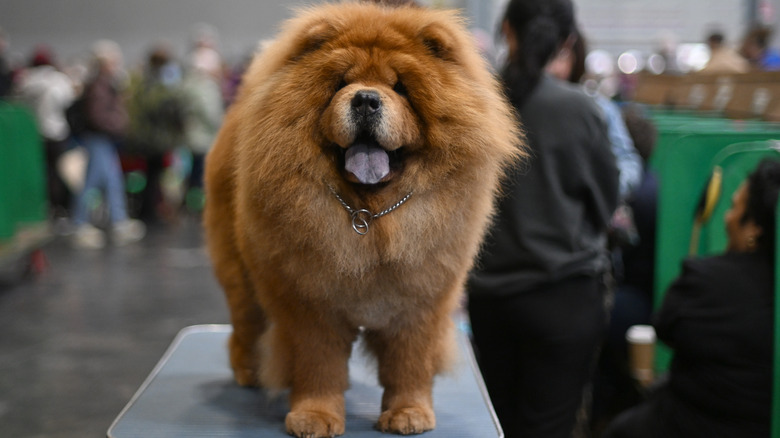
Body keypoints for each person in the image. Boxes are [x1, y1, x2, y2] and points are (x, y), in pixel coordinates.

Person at [466, 1, 620, 437]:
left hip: (490, 297)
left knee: (498, 420)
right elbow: (606, 203)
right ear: (567, 40)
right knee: (548, 426)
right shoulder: (581, 110)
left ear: (508, 32)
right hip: (564, 296)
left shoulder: (476, 102)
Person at [602, 158, 780, 438]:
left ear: (754, 229)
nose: (727, 217)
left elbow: (664, 327)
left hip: (689, 423)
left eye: (735, 207)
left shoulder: (708, 279)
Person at [547, 28, 642, 200]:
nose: (553, 67)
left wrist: (599, 193)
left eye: (561, 55)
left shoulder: (599, 108)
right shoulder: (527, 106)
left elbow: (628, 163)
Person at [70, 40, 145, 248]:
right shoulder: (99, 85)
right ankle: (81, 223)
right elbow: (98, 116)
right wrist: (119, 124)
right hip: (99, 139)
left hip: (103, 139)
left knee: (111, 181)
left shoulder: (103, 83)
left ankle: (117, 221)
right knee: (93, 182)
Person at [12, 46, 76, 217]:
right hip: (57, 133)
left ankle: (37, 207)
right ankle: (58, 208)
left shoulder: (26, 81)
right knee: (57, 171)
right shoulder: (59, 80)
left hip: (33, 134)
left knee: (36, 172)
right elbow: (69, 102)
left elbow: (18, 105)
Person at [180, 44, 224, 212]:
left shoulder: (188, 83)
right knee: (201, 172)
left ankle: (188, 202)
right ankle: (198, 205)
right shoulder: (207, 86)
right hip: (204, 137)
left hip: (190, 135)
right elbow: (211, 112)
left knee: (191, 170)